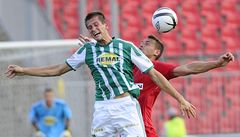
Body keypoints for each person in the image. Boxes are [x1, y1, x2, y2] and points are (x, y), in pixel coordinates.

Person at [5, 11, 196, 137]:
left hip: (126, 107)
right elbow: (57, 69)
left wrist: (180, 99)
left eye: (96, 25)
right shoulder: (87, 50)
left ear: (105, 25)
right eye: (90, 27)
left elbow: (155, 75)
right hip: (103, 109)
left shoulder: (125, 47)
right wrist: (24, 70)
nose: (94, 29)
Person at [78, 34, 234, 137]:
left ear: (156, 52)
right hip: (118, 126)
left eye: (146, 43)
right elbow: (109, 57)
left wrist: (217, 63)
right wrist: (94, 46)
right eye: (141, 42)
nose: (140, 44)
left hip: (143, 128)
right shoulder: (127, 65)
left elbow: (188, 68)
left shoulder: (155, 67)